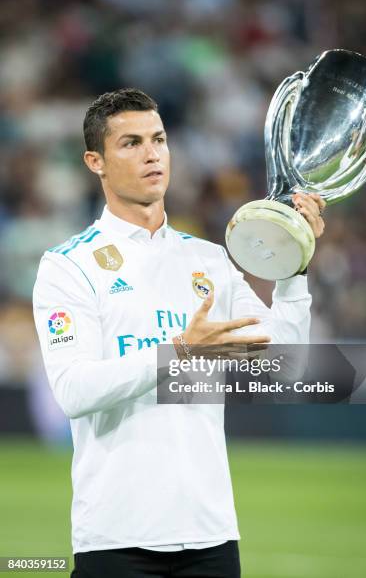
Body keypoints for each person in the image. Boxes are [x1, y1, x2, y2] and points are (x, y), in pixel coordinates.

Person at [32, 88, 325, 578]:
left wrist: (294, 268)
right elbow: (73, 392)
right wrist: (182, 351)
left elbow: (286, 365)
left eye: (159, 139)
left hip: (211, 536)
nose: (151, 154)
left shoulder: (208, 259)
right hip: (117, 539)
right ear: (95, 161)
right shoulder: (67, 266)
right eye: (130, 143)